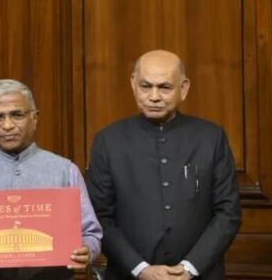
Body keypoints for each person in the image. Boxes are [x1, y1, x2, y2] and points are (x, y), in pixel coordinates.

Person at [87, 50, 241, 280]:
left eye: (165, 87)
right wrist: (141, 269)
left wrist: (189, 268)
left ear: (184, 88)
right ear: (133, 84)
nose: (154, 96)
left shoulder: (211, 138)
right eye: (145, 86)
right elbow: (100, 217)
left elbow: (228, 213)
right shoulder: (108, 141)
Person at [0, 79, 101, 279]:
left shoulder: (65, 171)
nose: (7, 125)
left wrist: (87, 250)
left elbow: (91, 233)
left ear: (35, 118)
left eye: (17, 115)